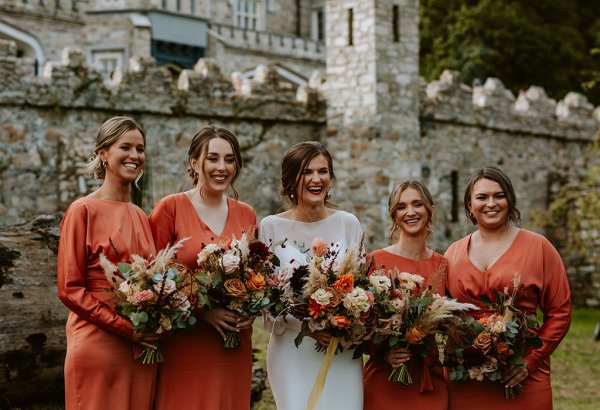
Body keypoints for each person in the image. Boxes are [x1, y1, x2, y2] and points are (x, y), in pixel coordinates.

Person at [444, 166, 571, 409]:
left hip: (522, 377)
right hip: (468, 379)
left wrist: (529, 362)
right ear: (470, 206)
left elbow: (560, 312)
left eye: (498, 195)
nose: (491, 203)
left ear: (510, 200)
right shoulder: (453, 253)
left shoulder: (539, 247)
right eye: (481, 197)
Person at [149, 125, 257, 410]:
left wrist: (251, 311)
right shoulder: (169, 208)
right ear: (194, 163)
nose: (222, 167)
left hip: (233, 344)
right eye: (213, 158)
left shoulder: (246, 213)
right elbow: (153, 280)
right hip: (187, 342)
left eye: (230, 159)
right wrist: (203, 311)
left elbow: (256, 275)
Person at [57, 116, 159, 410]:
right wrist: (126, 328)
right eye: (124, 147)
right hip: (97, 343)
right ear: (103, 153)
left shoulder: (140, 215)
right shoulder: (82, 210)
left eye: (140, 149)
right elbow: (69, 288)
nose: (134, 156)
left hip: (141, 349)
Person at [259, 141, 364, 410]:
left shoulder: (348, 223)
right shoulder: (271, 227)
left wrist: (347, 317)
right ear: (291, 179)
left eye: (323, 171)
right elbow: (265, 303)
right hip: (292, 352)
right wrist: (307, 327)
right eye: (307, 172)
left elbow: (363, 288)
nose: (316, 179)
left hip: (340, 349)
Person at [363, 180, 448, 409]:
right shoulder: (375, 262)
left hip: (429, 380)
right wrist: (383, 352)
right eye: (401, 207)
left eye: (417, 204)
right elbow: (358, 325)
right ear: (394, 215)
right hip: (384, 380)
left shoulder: (443, 265)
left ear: (430, 209)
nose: (410, 212)